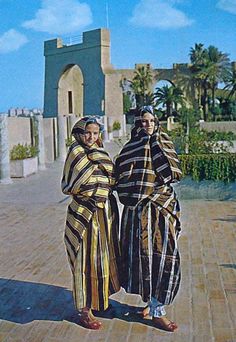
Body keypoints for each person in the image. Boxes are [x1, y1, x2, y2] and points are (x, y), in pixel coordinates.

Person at [115, 106, 182, 332]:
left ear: (157, 122)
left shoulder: (164, 142)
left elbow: (172, 172)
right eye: (143, 121)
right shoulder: (130, 148)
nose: (147, 125)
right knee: (144, 259)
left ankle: (157, 307)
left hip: (162, 208)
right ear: (137, 124)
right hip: (138, 212)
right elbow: (121, 176)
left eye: (151, 121)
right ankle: (153, 306)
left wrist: (153, 143)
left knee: (165, 256)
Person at [61, 117, 120, 330]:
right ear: (79, 132)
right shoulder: (75, 153)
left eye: (95, 133)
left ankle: (100, 301)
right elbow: (76, 185)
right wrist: (100, 186)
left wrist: (103, 185)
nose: (91, 137)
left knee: (102, 258)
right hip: (83, 215)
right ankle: (84, 310)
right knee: (83, 260)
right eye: (88, 133)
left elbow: (112, 178)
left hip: (103, 215)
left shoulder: (101, 153)